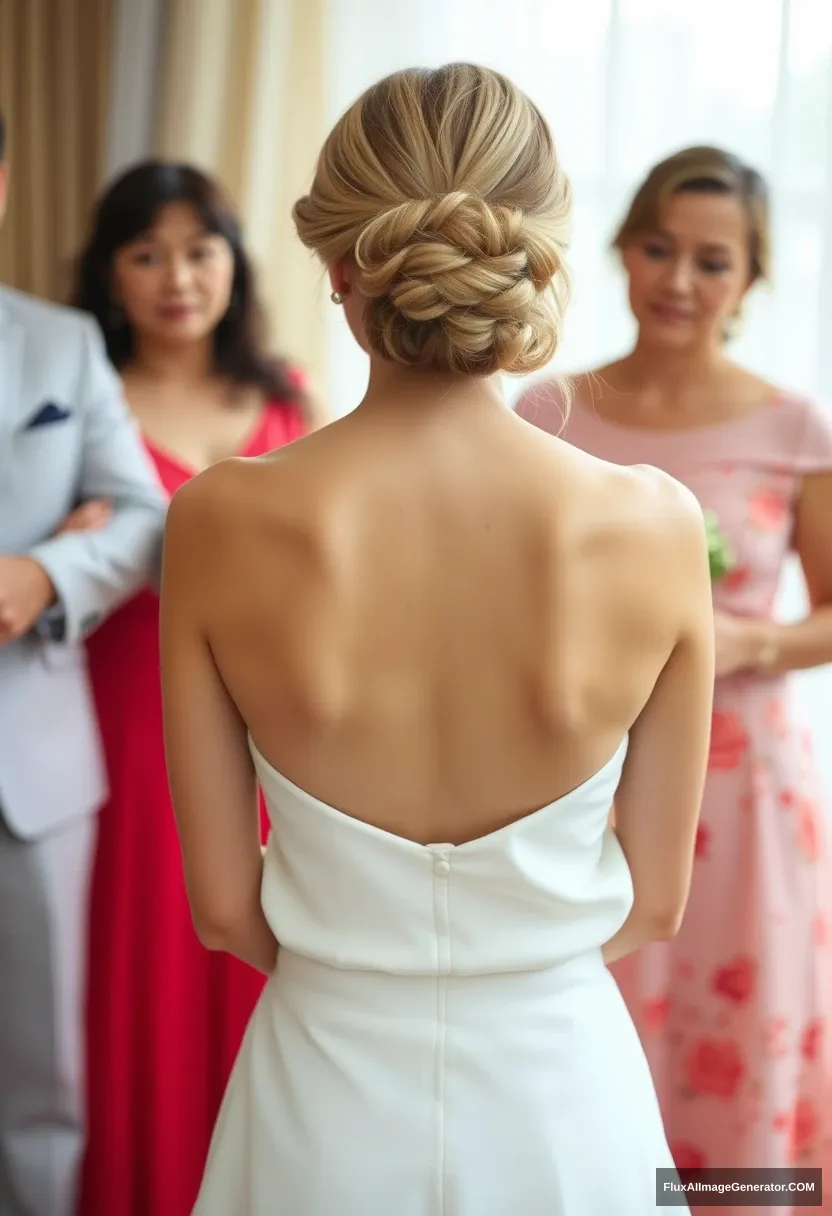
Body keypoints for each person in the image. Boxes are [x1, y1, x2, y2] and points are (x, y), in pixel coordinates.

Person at [159, 64, 713, 1215]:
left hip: (319, 1091)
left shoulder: (219, 517)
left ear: (334, 262)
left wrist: (374, 977)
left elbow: (223, 905)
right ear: (537, 255)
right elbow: (654, 903)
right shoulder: (655, 523)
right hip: (567, 1098)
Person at [516, 146, 832, 1213]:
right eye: (658, 248)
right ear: (618, 248)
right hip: (581, 784)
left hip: (743, 794)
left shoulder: (794, 426)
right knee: (591, 1029)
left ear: (751, 278)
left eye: (712, 260)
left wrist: (742, 643)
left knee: (739, 1031)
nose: (679, 281)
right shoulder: (545, 412)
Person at [65, 162, 322, 1216]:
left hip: (271, 729)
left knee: (257, 954)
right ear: (109, 273)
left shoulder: (290, 396)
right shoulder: (83, 398)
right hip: (122, 718)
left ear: (234, 261)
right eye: (146, 252)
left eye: (200, 248)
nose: (178, 276)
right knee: (132, 972)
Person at [0, 115, 167, 1216]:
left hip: (34, 771)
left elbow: (146, 513)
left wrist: (46, 571)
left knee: (38, 1083)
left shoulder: (61, 346)